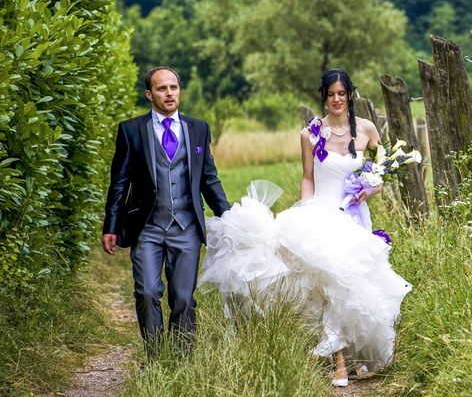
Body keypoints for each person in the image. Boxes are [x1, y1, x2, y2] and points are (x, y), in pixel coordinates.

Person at [199, 68, 412, 387]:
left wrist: (371, 187)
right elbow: (308, 177)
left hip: (355, 217)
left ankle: (357, 356)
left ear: (350, 95)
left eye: (342, 93)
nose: (336, 100)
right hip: (321, 214)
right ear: (323, 97)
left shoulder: (367, 130)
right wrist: (304, 211)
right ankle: (338, 361)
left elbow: (378, 172)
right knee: (328, 286)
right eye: (330, 94)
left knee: (355, 285)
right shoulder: (310, 133)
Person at [102, 66, 230, 356]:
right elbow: (119, 182)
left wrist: (228, 215)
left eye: (173, 87)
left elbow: (209, 178)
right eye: (162, 89)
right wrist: (111, 225)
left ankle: (181, 359)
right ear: (150, 94)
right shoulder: (131, 130)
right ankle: (156, 357)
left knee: (183, 298)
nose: (169, 93)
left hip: (186, 227)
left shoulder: (198, 129)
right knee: (147, 292)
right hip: (147, 226)